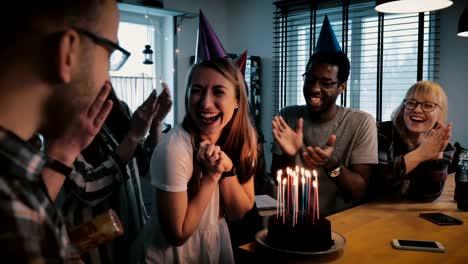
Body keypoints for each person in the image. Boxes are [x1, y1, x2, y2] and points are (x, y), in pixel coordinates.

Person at [0, 0, 120, 262]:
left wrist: (65, 150)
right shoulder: (12, 227)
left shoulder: (18, 167)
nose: (108, 79)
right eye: (109, 55)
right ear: (68, 51)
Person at [139, 58, 257, 263]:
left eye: (218, 91)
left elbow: (239, 211)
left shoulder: (244, 140)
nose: (205, 103)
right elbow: (177, 235)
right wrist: (211, 177)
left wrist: (227, 170)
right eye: (197, 90)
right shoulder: (173, 150)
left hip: (213, 247)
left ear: (237, 100)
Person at [45, 83, 172, 264]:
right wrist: (133, 136)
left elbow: (144, 165)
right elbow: (88, 190)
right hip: (98, 248)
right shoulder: (63, 123)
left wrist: (156, 123)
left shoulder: (120, 110)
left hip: (133, 235)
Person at [271, 15, 378, 216]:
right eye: (310, 79)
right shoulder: (288, 116)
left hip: (342, 225)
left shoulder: (361, 123)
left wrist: (331, 164)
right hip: (294, 222)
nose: (314, 89)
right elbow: (278, 181)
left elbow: (360, 191)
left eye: (326, 83)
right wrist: (290, 153)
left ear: (341, 87)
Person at [376, 81, 454, 202]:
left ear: (440, 113)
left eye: (428, 105)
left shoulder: (444, 146)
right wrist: (421, 154)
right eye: (411, 103)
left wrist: (436, 155)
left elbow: (428, 196)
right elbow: (378, 185)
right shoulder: (380, 133)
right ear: (404, 108)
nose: (417, 110)